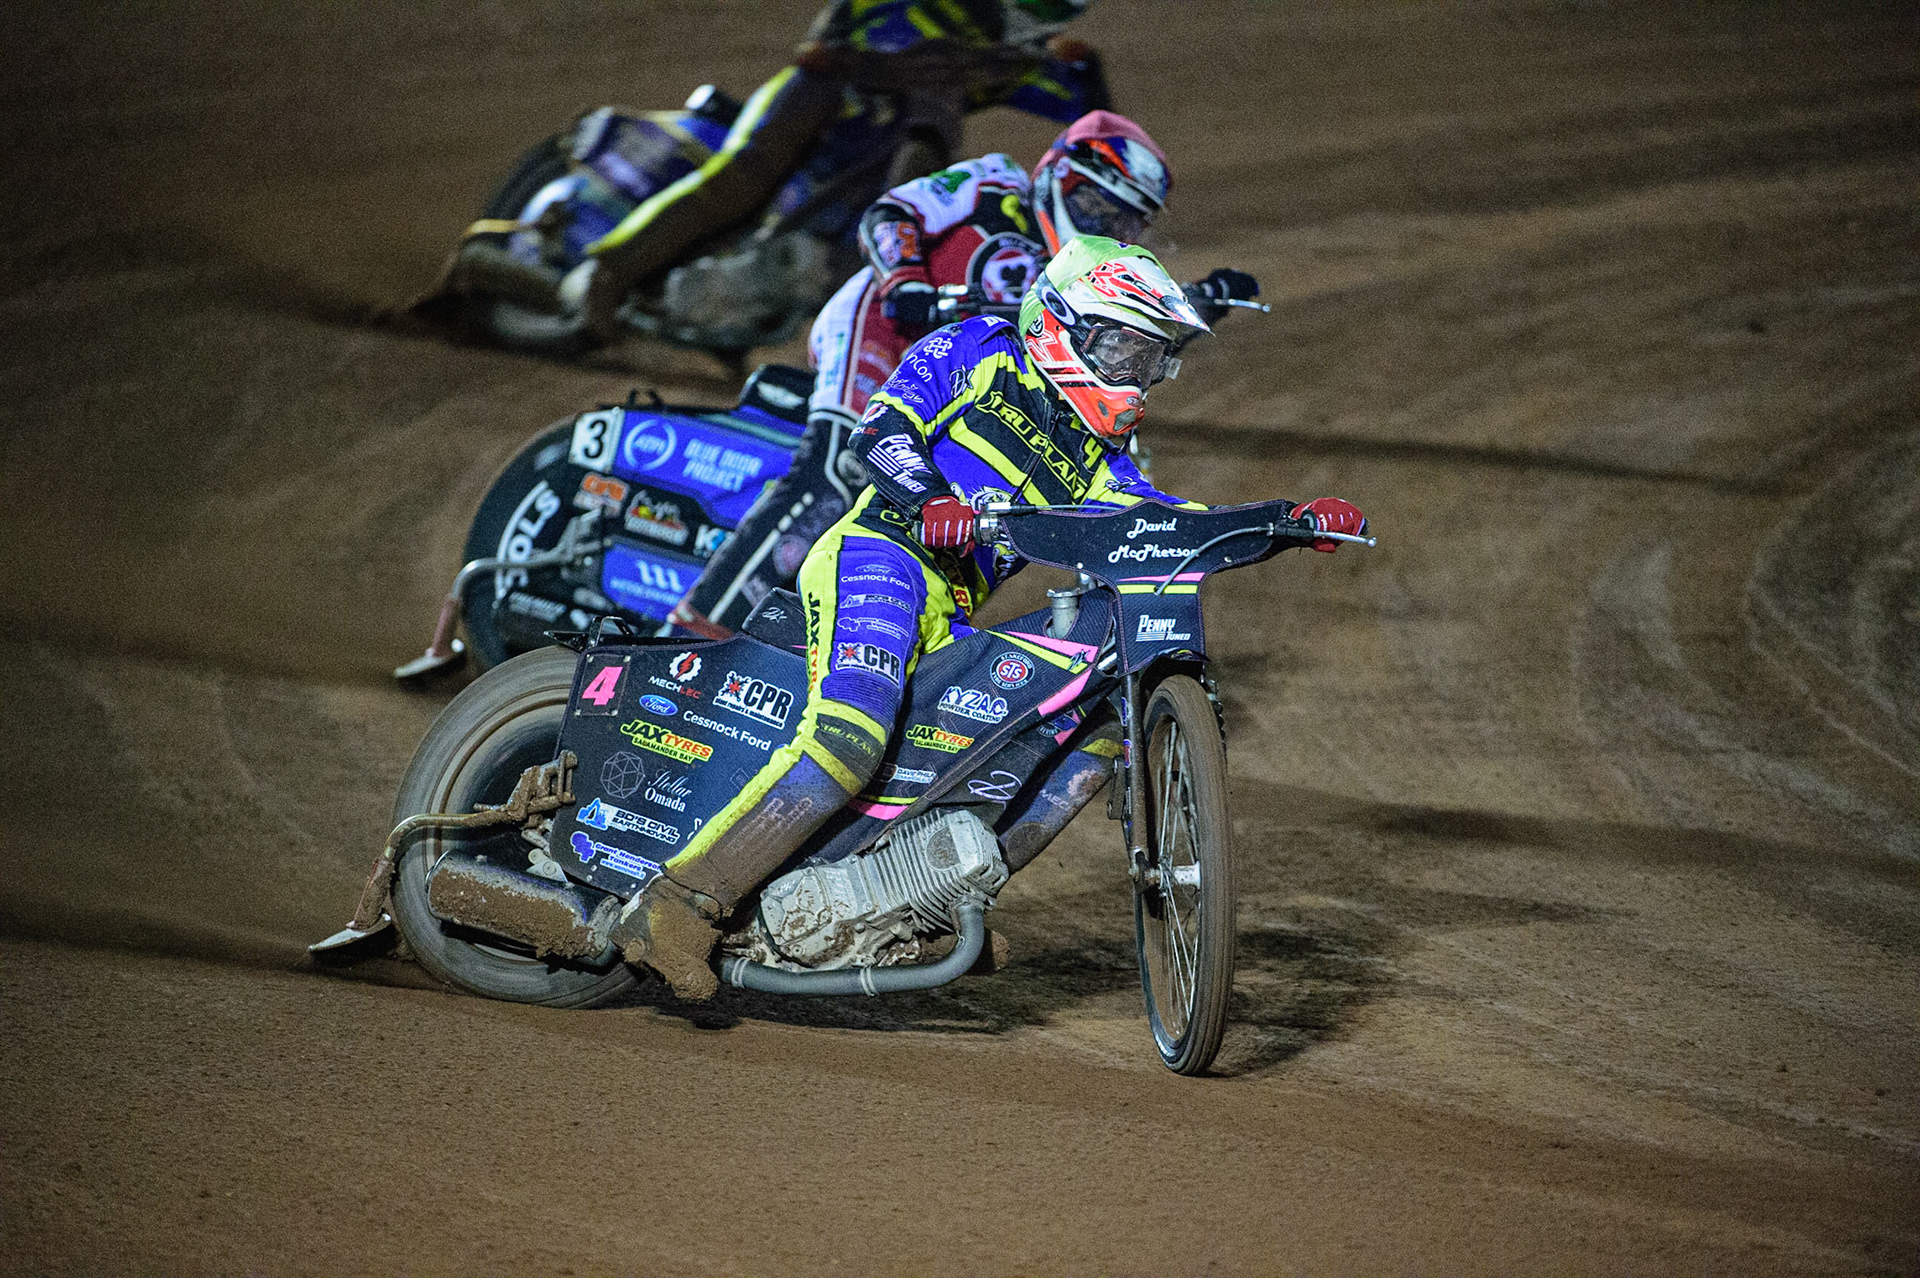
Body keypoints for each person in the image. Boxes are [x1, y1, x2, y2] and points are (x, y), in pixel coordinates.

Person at [612, 238, 1367, 999]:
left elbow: (1159, 519)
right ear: (1060, 325)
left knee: (1079, 728)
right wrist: (929, 500)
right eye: (1118, 350)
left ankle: (908, 903)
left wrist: (1284, 521)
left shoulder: (1102, 451)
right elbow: (881, 429)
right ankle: (676, 906)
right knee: (851, 733)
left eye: (1148, 361)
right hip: (881, 553)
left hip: (953, 613)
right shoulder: (982, 347)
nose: (1132, 379)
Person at [665, 110, 1262, 636]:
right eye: (1094, 205)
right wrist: (906, 282)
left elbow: (1122, 329)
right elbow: (893, 211)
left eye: (1124, 223)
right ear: (1056, 174)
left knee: (998, 514)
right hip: (884, 324)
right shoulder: (995, 181)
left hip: (968, 367)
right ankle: (701, 624)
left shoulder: (1081, 270)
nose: (1102, 226)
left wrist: (1202, 301)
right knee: (839, 465)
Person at [562, 0, 1116, 343]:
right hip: (822, 97)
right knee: (737, 183)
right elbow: (870, 42)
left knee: (882, 232)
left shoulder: (1009, 51)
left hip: (887, 140)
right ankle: (607, 274)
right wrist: (995, 60)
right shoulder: (971, 29)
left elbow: (1084, 119)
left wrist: (1084, 68)